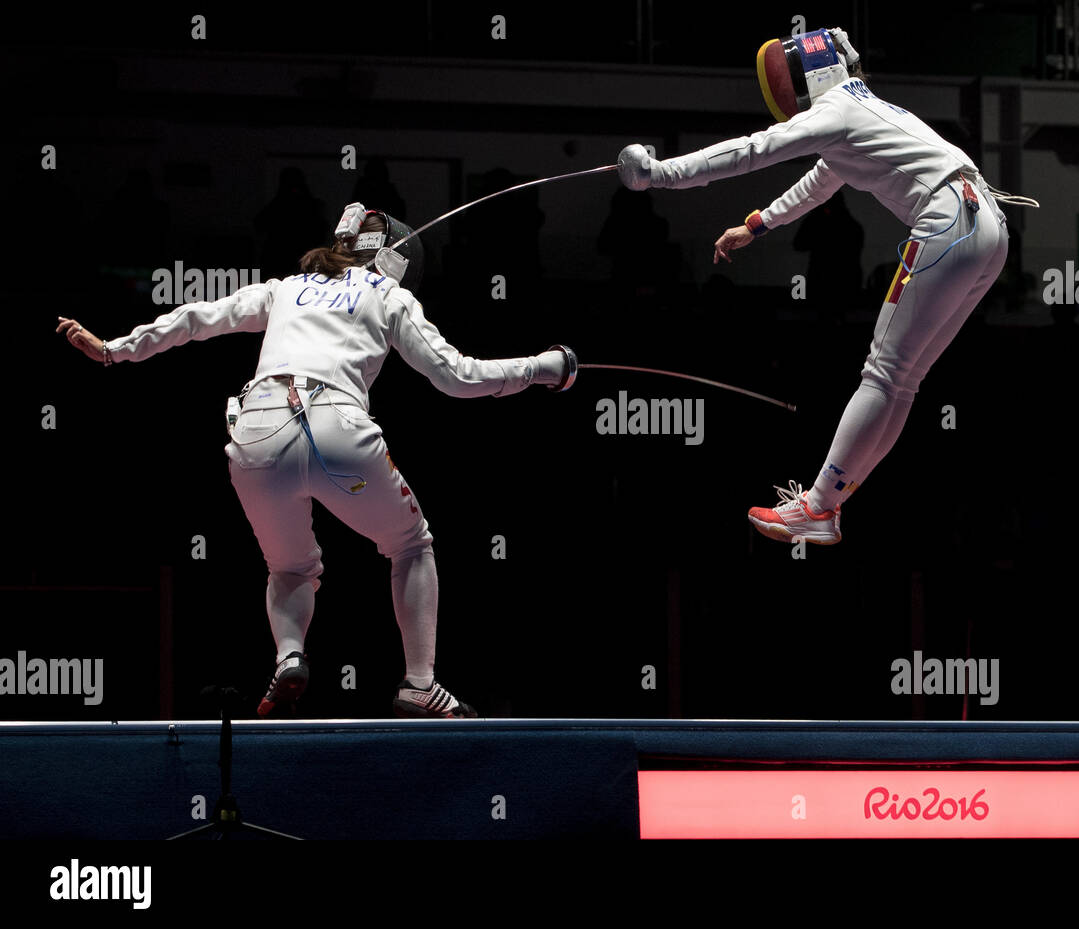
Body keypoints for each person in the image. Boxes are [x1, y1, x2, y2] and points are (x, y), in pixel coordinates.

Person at [56, 204, 576, 717]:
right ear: (394, 262)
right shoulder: (387, 295)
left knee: (289, 566)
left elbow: (199, 317)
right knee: (411, 545)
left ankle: (289, 657)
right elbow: (456, 376)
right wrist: (543, 367)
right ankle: (419, 684)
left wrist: (113, 349)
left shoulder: (284, 288)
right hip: (337, 429)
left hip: (256, 432)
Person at [618, 26, 1027, 545]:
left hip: (948, 224)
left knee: (885, 374)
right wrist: (758, 223)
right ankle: (827, 505)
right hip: (988, 226)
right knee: (901, 379)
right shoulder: (862, 107)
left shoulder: (835, 111)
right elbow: (824, 178)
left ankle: (817, 507)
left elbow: (750, 152)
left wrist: (659, 174)